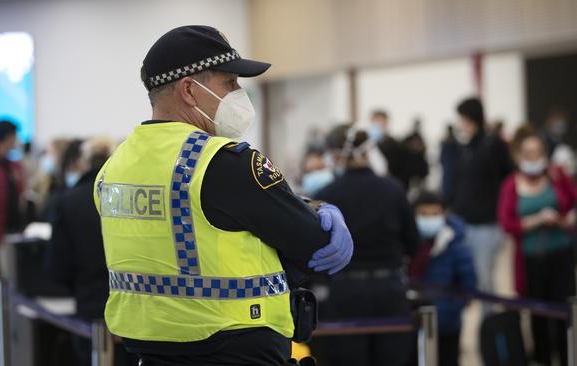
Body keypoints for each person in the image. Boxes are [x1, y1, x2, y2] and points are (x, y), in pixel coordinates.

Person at [94, 25, 353, 366]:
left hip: (149, 352)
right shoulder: (221, 163)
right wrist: (321, 211)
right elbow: (311, 239)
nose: (238, 94)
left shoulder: (114, 168)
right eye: (229, 83)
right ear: (189, 90)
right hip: (235, 351)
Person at [314, 125, 420, 366]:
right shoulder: (393, 189)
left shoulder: (326, 195)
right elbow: (413, 242)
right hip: (390, 288)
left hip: (345, 290)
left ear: (336, 155)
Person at [47, 137, 136, 366]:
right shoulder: (133, 196)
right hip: (134, 309)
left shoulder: (68, 202)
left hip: (90, 307)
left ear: (83, 162)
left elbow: (58, 266)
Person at [498, 125, 576, 366]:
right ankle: (542, 359)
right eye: (529, 153)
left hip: (561, 253)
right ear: (519, 156)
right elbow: (507, 223)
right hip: (531, 259)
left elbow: (573, 201)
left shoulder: (557, 175)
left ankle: (568, 358)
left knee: (566, 313)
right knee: (537, 316)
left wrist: (570, 216)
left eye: (538, 152)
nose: (535, 158)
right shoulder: (511, 185)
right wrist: (536, 220)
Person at [445, 97, 513, 302]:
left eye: (462, 118)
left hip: (487, 225)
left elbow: (508, 180)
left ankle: (489, 327)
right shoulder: (463, 148)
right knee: (468, 279)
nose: (459, 123)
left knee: (484, 281)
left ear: (471, 118)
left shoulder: (493, 145)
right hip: (463, 222)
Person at [409, 191, 476, 366]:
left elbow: (468, 283)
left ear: (444, 214)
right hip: (411, 324)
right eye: (423, 214)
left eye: (435, 214)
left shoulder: (456, 243)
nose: (429, 219)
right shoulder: (407, 242)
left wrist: (449, 309)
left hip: (447, 324)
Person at [368, 110, 412, 188]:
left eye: (378, 123)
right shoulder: (367, 146)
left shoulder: (397, 146)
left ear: (386, 123)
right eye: (373, 123)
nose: (375, 126)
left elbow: (403, 172)